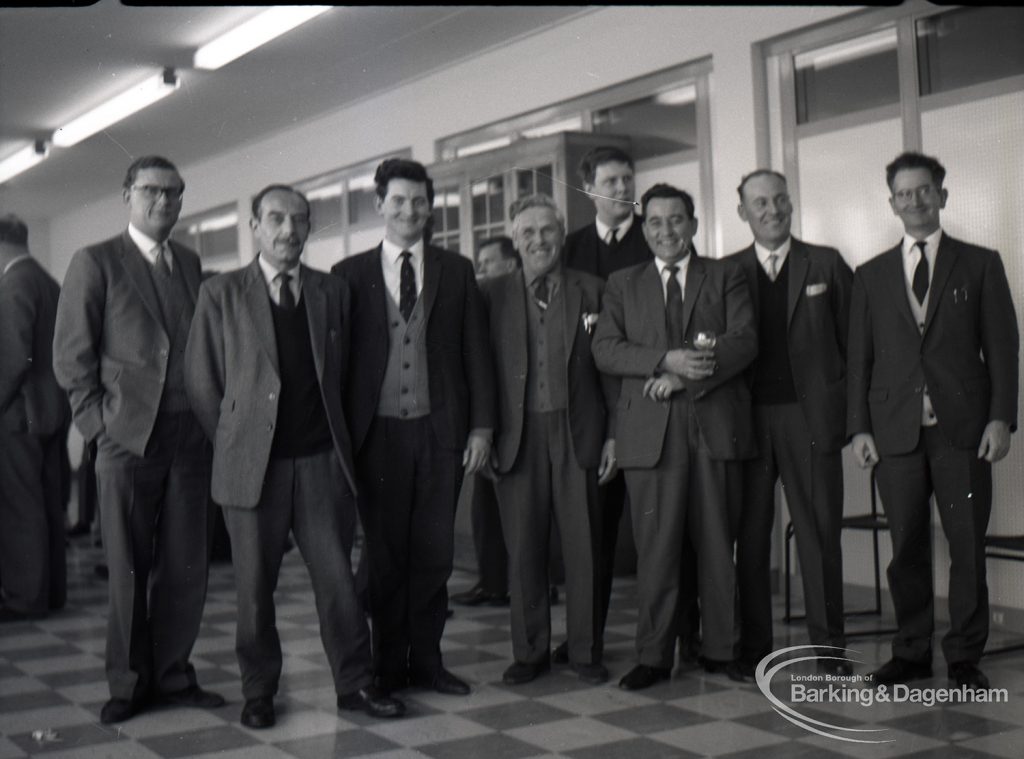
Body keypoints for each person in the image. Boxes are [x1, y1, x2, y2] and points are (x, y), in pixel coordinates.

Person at [185, 184, 405, 729]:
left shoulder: (332, 292)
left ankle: (355, 684)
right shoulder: (222, 295)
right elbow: (201, 383)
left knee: (337, 583)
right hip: (251, 468)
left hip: (320, 464)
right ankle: (258, 692)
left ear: (309, 229)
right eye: (276, 219)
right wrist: (238, 443)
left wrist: (338, 448)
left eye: (299, 220)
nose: (288, 230)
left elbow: (349, 377)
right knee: (254, 591)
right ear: (255, 227)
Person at [52, 156, 223, 724]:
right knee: (126, 566)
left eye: (174, 193)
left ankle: (173, 675)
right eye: (151, 191)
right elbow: (71, 357)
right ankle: (127, 683)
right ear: (127, 193)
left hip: (189, 437)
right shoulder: (96, 261)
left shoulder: (191, 263)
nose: (164, 202)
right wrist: (98, 426)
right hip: (126, 440)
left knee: (185, 565)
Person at [849, 151, 1019, 690]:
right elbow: (860, 359)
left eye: (925, 191)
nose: (915, 201)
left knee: (966, 545)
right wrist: (859, 428)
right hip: (894, 432)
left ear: (942, 196)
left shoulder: (981, 263)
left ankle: (964, 655)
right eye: (904, 193)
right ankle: (911, 651)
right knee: (907, 546)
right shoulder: (870, 274)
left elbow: (1004, 349)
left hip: (964, 431)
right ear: (892, 203)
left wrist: (1001, 421)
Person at [331, 158, 495, 696]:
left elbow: (477, 353)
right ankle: (384, 667)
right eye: (398, 201)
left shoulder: (456, 268)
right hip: (375, 437)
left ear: (430, 205)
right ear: (379, 205)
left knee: (433, 556)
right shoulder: (348, 275)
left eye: (419, 201)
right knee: (383, 558)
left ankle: (426, 662)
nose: (410, 211)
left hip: (440, 433)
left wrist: (480, 430)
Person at [592, 183, 757, 689]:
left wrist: (684, 377)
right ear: (644, 229)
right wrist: (663, 359)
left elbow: (744, 341)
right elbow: (606, 349)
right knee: (657, 551)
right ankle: (655, 655)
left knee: (715, 545)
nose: (667, 230)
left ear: (694, 223)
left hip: (712, 427)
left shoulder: (726, 274)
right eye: (656, 222)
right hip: (649, 434)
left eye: (677, 220)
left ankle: (722, 649)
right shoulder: (623, 282)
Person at [482, 196, 617, 685]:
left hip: (579, 431)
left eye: (547, 230)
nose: (539, 240)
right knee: (524, 550)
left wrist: (614, 437)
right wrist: (485, 432)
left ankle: (584, 650)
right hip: (517, 437)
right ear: (514, 241)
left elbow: (612, 370)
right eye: (528, 233)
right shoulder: (490, 294)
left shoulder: (594, 290)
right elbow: (480, 372)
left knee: (583, 548)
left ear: (562, 235)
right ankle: (530, 652)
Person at [725, 170, 853, 677]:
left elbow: (855, 342)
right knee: (751, 537)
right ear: (743, 213)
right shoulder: (726, 271)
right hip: (748, 420)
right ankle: (755, 646)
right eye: (760, 203)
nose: (773, 210)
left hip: (811, 418)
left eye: (780, 199)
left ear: (791, 203)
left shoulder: (825, 262)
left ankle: (829, 650)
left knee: (820, 534)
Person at [0, 214, 70, 622]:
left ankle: (25, 597)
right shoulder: (47, 281)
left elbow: (10, 358)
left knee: (18, 507)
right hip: (50, 411)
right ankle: (50, 592)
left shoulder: (13, 285)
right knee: (45, 504)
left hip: (18, 416)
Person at [451, 236, 520, 608]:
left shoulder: (510, 298)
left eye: (487, 263)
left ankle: (518, 584)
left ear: (510, 265)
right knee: (486, 508)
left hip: (512, 419)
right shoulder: (486, 299)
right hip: (488, 419)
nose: (481, 271)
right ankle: (493, 581)